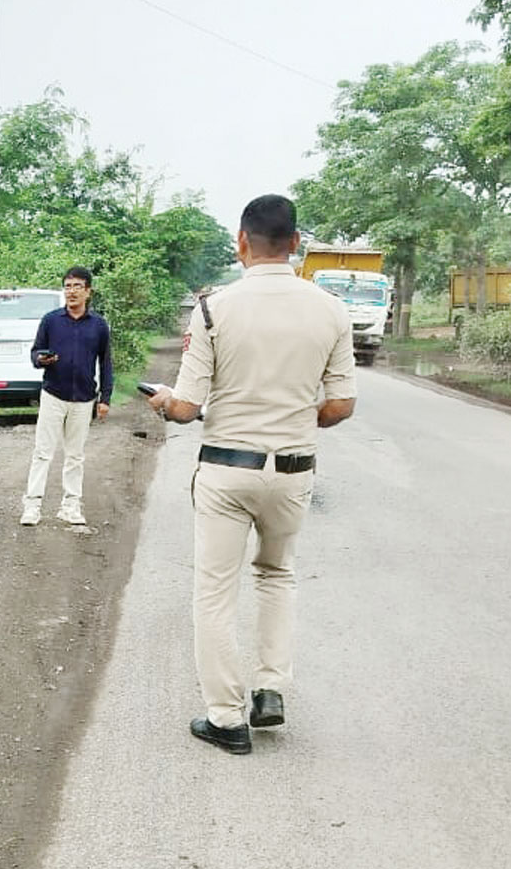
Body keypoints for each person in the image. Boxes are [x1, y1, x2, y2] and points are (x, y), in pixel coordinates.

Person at [148, 194, 356, 754]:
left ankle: (226, 718)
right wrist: (292, 414)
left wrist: (166, 400)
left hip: (226, 470)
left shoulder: (215, 308)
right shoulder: (331, 309)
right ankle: (270, 689)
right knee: (276, 575)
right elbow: (340, 406)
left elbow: (188, 408)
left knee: (215, 591)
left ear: (241, 242)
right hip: (292, 472)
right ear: (295, 244)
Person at [20, 265, 114, 528]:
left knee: (75, 455)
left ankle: (71, 506)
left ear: (88, 292)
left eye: (77, 287)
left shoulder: (98, 325)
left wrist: (105, 398)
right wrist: (42, 359)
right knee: (43, 452)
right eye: (68, 286)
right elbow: (35, 353)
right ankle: (32, 505)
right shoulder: (51, 320)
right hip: (53, 394)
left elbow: (106, 363)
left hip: (84, 398)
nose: (71, 292)